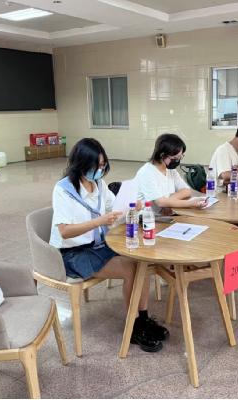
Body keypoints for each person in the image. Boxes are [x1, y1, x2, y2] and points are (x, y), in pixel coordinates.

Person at [49, 138, 168, 352]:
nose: (100, 170)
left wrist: (132, 206)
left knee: (142, 262)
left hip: (97, 245)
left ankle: (142, 319)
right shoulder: (63, 190)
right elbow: (65, 231)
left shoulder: (99, 184)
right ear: (80, 164)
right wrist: (100, 221)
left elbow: (115, 208)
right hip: (73, 254)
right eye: (96, 165)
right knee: (130, 269)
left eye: (103, 165)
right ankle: (133, 326)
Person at [135, 133, 207, 216]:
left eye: (180, 157)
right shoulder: (146, 172)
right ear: (162, 155)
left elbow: (186, 190)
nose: (177, 161)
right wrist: (191, 203)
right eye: (175, 158)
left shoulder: (170, 170)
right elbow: (160, 202)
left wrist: (168, 202)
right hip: (148, 218)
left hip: (166, 215)